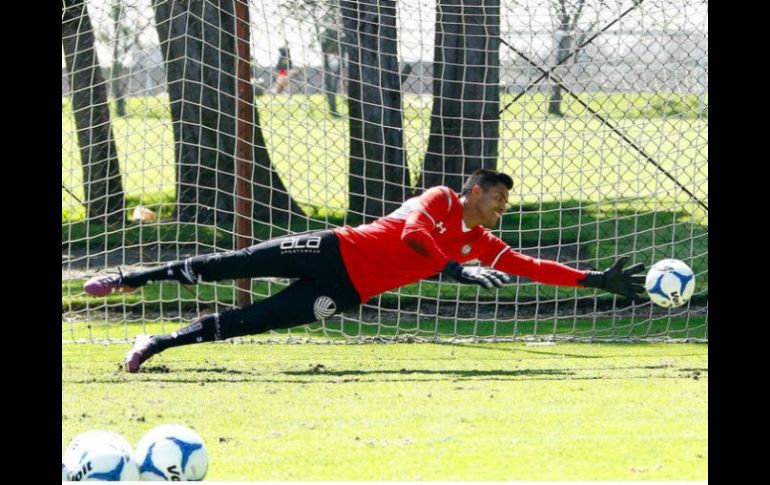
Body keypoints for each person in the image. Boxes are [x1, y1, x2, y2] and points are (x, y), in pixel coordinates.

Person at [84, 169, 646, 372]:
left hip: (348, 290)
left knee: (250, 322)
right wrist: (454, 271)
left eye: (503, 202)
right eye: (497, 197)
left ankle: (155, 342)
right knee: (228, 263)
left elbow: (532, 266)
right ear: (474, 190)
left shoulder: (482, 241)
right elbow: (412, 236)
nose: (501, 207)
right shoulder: (443, 199)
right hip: (331, 249)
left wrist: (595, 280)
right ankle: (133, 275)